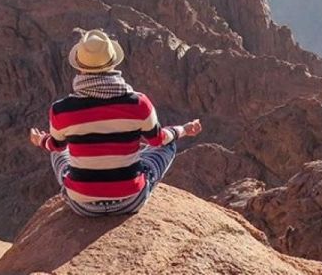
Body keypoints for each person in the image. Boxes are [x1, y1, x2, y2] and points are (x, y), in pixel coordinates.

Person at [29, 29, 202, 216]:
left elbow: (55, 145)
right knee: (168, 144)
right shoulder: (139, 102)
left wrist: (41, 140)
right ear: (113, 64)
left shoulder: (61, 109)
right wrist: (183, 130)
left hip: (82, 205)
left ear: (79, 67)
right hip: (130, 201)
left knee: (59, 151)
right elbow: (158, 140)